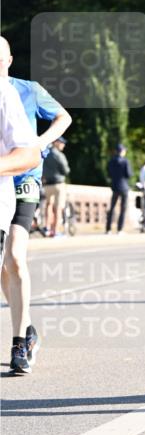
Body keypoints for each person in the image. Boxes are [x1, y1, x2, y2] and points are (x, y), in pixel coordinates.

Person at [0, 35, 72, 374]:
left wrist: (40, 144)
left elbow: (63, 117)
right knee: (4, 265)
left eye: (1, 60)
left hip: (25, 177)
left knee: (15, 254)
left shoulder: (27, 89)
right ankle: (26, 325)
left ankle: (19, 343)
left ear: (10, 60)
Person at [0, 79, 40, 268]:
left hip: (21, 184)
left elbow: (29, 154)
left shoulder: (5, 91)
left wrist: (45, 140)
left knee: (15, 254)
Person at [106, 143, 132, 234]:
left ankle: (108, 228)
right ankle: (120, 229)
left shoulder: (111, 161)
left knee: (112, 207)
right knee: (123, 208)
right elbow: (128, 174)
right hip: (124, 186)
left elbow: (109, 173)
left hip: (114, 186)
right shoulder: (125, 161)